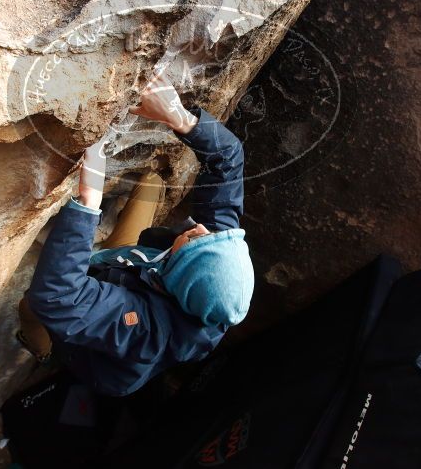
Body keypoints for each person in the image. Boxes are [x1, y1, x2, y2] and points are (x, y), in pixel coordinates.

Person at [17, 74, 254, 397]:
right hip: (135, 266)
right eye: (212, 235)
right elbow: (229, 158)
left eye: (197, 240)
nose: (199, 228)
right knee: (152, 183)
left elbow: (57, 299)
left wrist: (89, 204)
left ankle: (41, 350)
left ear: (183, 272)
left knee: (31, 306)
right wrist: (181, 119)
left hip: (108, 338)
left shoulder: (146, 328)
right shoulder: (215, 256)